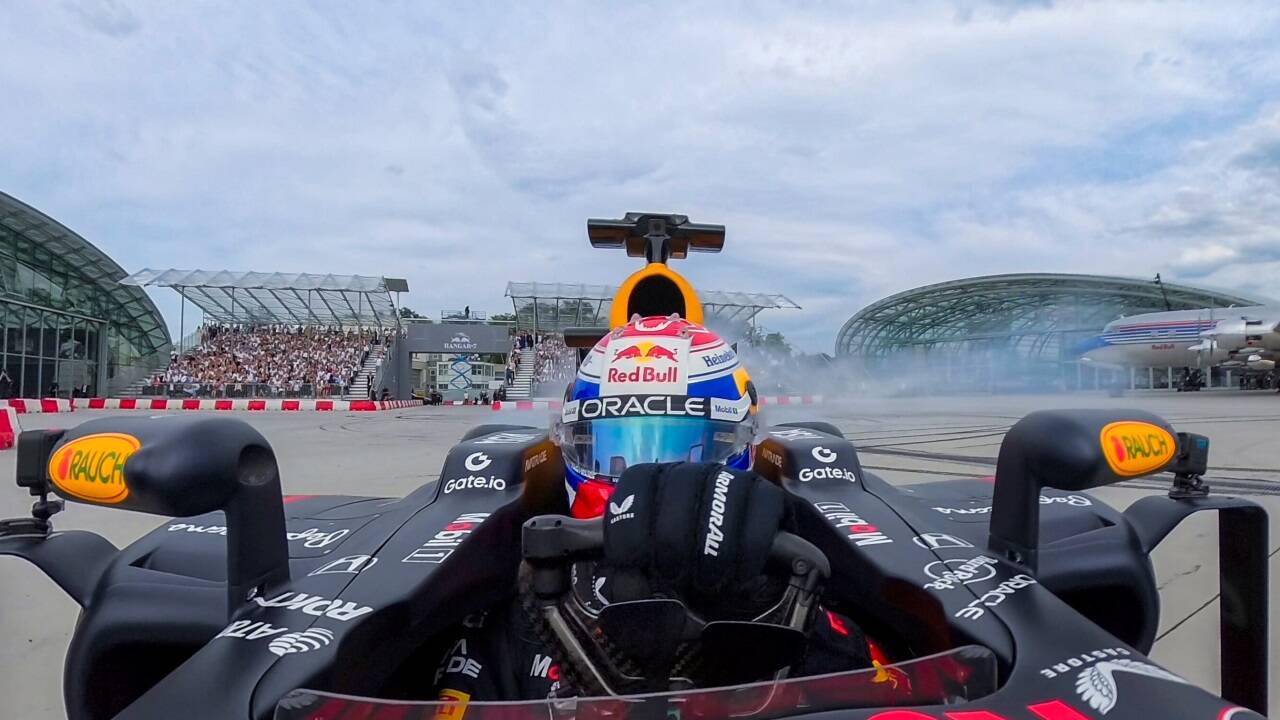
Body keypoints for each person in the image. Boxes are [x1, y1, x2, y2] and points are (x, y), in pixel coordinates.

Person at [431, 316, 875, 701]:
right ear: (572, 443)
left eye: (685, 451)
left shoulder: (783, 592)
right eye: (614, 453)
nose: (643, 481)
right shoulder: (525, 608)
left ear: (745, 446)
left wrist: (772, 607)